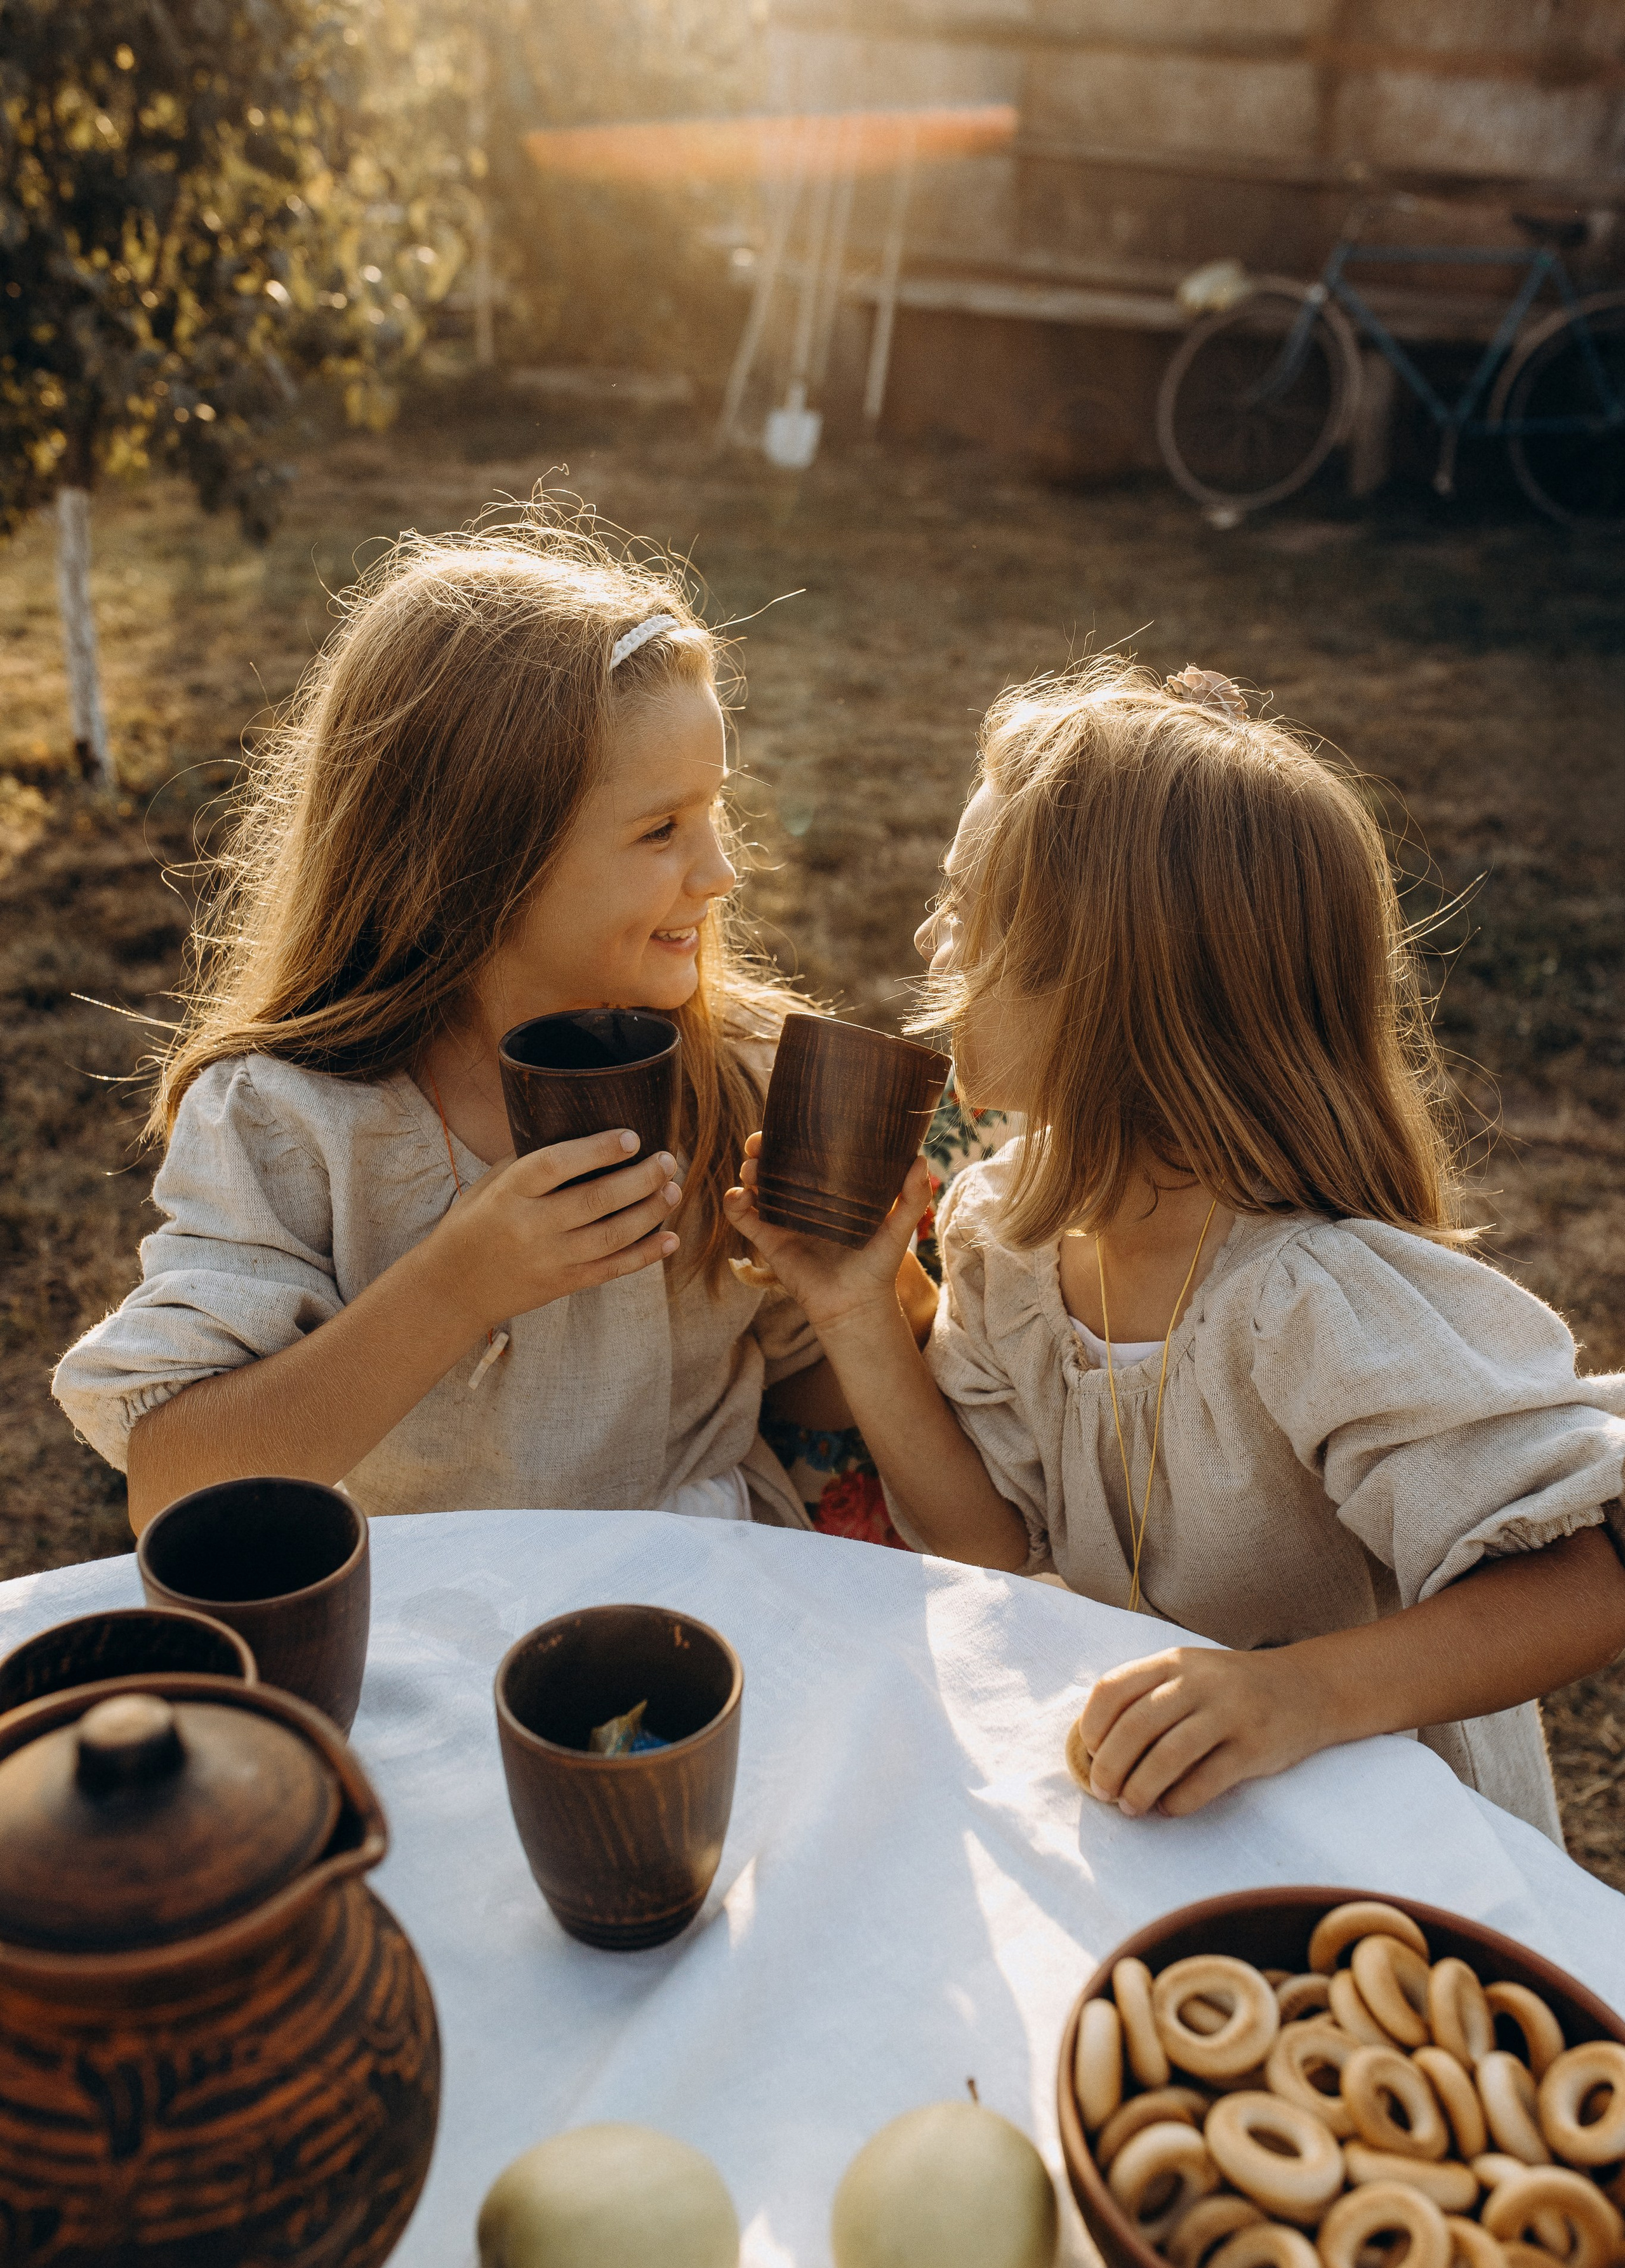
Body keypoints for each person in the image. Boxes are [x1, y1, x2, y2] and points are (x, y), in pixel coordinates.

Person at [727, 658, 1625, 1838]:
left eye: (963, 904)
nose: (924, 933)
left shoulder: (1312, 1301)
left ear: (1107, 983)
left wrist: (1295, 1693)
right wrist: (855, 1306)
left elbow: (1585, 1579)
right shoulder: (1002, 1238)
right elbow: (988, 1540)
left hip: (1389, 1844)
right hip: (1179, 1814)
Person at [55, 514, 930, 1530]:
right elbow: (177, 1481)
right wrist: (451, 1291)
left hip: (705, 1602)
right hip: (429, 1618)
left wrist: (874, 1297)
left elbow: (806, 1390)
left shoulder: (734, 1076)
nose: (721, 872)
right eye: (660, 830)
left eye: (713, 813)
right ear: (480, 857)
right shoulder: (298, 1121)